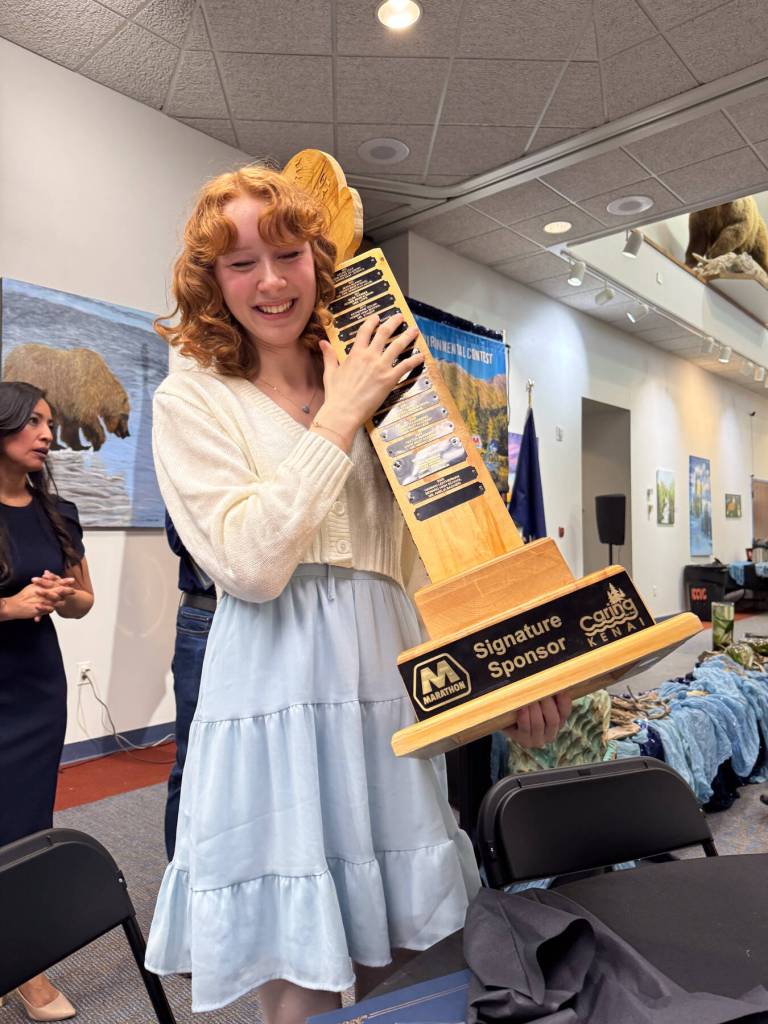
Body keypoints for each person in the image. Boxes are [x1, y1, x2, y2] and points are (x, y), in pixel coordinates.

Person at [144, 165, 572, 1022]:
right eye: (241, 263)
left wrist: (508, 680)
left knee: (409, 943)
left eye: (289, 254)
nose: (271, 281)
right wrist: (339, 414)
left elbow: (434, 554)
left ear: (320, 258)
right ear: (211, 280)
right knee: (295, 957)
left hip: (385, 673)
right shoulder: (193, 398)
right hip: (272, 684)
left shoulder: (384, 374)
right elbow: (250, 564)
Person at [0, 381, 94, 1021]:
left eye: (50, 424)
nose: (46, 435)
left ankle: (26, 967)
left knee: (27, 825)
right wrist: (8, 606)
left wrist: (64, 597)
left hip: (35, 690)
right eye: (33, 422)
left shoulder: (58, 511)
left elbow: (85, 602)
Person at [163, 510, 216, 860]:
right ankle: (180, 873)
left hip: (270, 616)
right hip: (206, 613)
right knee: (192, 759)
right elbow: (181, 536)